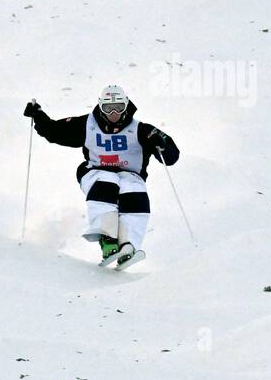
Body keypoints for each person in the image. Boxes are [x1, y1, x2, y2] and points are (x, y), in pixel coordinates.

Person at [23, 86, 179, 269]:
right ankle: (107, 237)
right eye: (108, 108)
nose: (114, 113)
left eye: (119, 107)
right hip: (95, 171)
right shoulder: (88, 125)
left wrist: (163, 145)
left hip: (131, 175)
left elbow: (171, 157)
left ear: (127, 106)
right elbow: (55, 132)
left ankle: (129, 243)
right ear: (100, 106)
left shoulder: (141, 130)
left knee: (135, 193)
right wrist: (38, 116)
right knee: (108, 182)